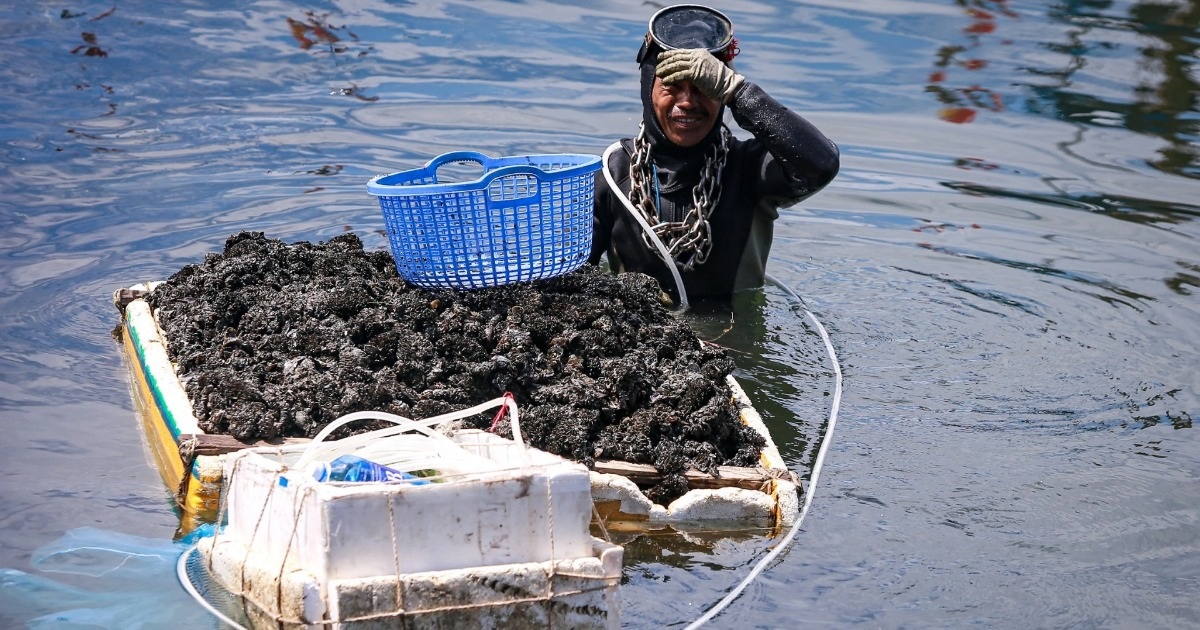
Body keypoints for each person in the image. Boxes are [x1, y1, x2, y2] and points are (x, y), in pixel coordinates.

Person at [589, 4, 840, 303]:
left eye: (703, 86)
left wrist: (739, 92)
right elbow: (574, 278)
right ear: (648, 89)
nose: (687, 102)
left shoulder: (751, 169)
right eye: (672, 85)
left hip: (735, 341)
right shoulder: (613, 175)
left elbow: (821, 165)